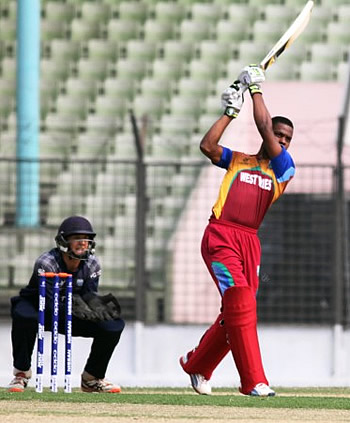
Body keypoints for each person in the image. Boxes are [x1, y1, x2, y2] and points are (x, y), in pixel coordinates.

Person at [179, 65, 295, 397]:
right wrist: (230, 112)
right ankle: (254, 381)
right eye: (279, 136)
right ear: (269, 136)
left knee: (237, 310)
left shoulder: (285, 169)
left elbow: (262, 123)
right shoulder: (239, 160)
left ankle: (197, 364)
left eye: (287, 139)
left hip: (249, 243)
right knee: (241, 302)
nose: (283, 142)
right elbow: (208, 146)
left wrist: (255, 89)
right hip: (221, 237)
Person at [8, 215, 125, 393]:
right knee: (24, 314)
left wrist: (95, 307)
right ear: (63, 241)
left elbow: (88, 294)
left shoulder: (92, 264)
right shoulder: (47, 262)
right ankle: (21, 374)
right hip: (39, 307)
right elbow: (47, 304)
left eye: (86, 239)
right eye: (76, 239)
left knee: (114, 325)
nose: (82, 243)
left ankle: (91, 378)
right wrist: (74, 306)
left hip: (69, 309)